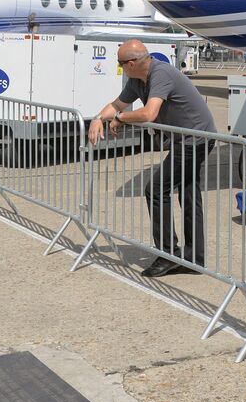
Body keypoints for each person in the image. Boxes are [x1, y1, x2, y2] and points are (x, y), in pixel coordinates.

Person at [88, 39, 217, 278]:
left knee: (156, 188)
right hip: (185, 138)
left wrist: (119, 118)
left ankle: (168, 254)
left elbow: (149, 113)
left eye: (120, 63)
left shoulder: (161, 73)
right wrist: (98, 118)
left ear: (133, 63)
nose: (119, 67)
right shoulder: (137, 80)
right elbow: (117, 104)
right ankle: (193, 258)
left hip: (196, 138)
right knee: (188, 192)